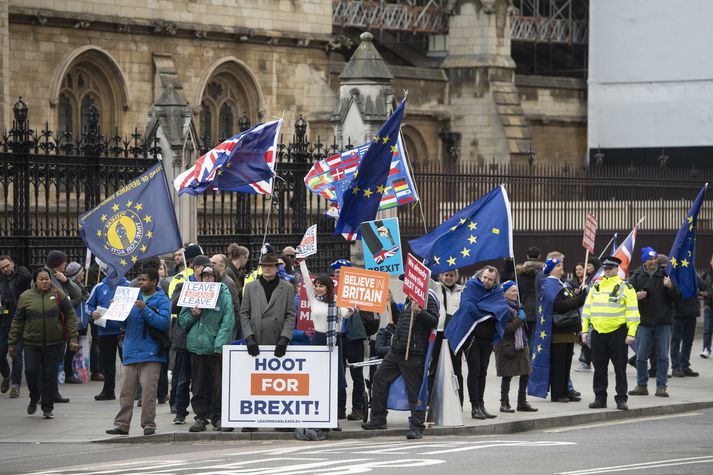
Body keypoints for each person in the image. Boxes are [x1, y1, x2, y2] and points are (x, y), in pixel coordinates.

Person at [362, 290, 439, 439]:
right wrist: (391, 304)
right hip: (397, 350)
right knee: (379, 378)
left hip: (414, 353)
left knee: (414, 391)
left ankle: (417, 426)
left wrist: (420, 311)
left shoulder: (427, 298)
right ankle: (378, 419)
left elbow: (435, 321)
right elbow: (400, 322)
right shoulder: (409, 298)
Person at [106, 268, 171, 436]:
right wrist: (114, 310)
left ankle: (148, 424)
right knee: (126, 392)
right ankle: (121, 425)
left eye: (144, 280)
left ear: (154, 281)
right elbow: (122, 324)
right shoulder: (132, 296)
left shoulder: (162, 300)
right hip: (131, 351)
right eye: (139, 280)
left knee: (148, 393)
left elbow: (163, 323)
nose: (140, 283)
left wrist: (145, 309)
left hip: (151, 353)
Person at [8, 268, 78, 419]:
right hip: (32, 344)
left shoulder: (58, 294)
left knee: (49, 375)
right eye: (41, 279)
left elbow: (70, 315)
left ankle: (47, 407)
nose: (45, 281)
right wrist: (12, 343)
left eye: (47, 278)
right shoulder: (25, 297)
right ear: (35, 281)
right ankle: (34, 397)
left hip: (55, 343)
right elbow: (18, 321)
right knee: (31, 372)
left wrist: (73, 338)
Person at [239, 253, 296, 432]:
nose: (267, 269)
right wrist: (248, 337)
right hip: (256, 339)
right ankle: (252, 420)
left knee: (278, 383)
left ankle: (280, 420)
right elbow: (244, 313)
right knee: (255, 383)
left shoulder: (287, 288)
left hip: (277, 339)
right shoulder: (250, 287)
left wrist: (285, 338)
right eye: (264, 266)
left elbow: (290, 314)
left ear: (277, 267)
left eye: (271, 266)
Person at [445, 266, 510, 420]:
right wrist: (489, 310)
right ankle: (474, 407)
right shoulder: (471, 287)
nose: (486, 281)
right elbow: (468, 307)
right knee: (474, 371)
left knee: (483, 372)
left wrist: (487, 308)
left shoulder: (497, 292)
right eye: (485, 278)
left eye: (490, 279)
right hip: (472, 337)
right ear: (480, 276)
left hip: (487, 339)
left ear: (495, 281)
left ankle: (481, 404)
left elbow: (502, 309)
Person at [297, 257, 354, 426]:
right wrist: (301, 262)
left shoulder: (337, 301)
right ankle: (318, 416)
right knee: (317, 380)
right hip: (318, 340)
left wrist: (352, 309)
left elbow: (344, 314)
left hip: (334, 342)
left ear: (329, 288)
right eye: (317, 285)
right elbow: (306, 279)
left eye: (321, 286)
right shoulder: (313, 298)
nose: (318, 288)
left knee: (334, 382)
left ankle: (332, 418)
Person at [179, 265, 235, 432]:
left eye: (211, 276)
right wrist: (193, 314)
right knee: (198, 385)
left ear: (216, 278)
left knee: (217, 385)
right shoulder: (193, 293)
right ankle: (201, 417)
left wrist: (219, 346)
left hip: (215, 349)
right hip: (196, 348)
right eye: (204, 276)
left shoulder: (224, 295)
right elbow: (182, 321)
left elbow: (228, 322)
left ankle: (218, 417)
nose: (207, 279)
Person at [582, 256, 639, 410]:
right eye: (605, 268)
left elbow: (633, 313)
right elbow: (587, 310)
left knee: (619, 368)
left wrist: (631, 333)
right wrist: (585, 330)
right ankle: (600, 398)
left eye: (610, 268)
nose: (607, 271)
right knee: (599, 368)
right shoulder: (596, 286)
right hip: (598, 333)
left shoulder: (626, 287)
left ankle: (621, 399)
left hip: (618, 333)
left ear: (617, 269)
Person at [628, 247, 679, 397]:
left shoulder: (665, 274)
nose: (653, 262)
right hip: (644, 323)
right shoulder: (636, 275)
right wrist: (635, 297)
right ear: (644, 260)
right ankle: (641, 385)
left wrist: (670, 287)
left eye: (654, 258)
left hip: (663, 322)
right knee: (641, 356)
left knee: (663, 356)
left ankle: (661, 386)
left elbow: (678, 297)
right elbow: (627, 297)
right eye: (649, 259)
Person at [168, 254, 211, 423]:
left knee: (202, 379)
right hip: (185, 339)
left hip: (203, 339)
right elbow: (174, 307)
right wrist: (187, 291)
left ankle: (204, 410)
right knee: (183, 378)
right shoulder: (182, 285)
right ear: (195, 268)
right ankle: (180, 411)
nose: (206, 271)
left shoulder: (212, 286)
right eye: (203, 267)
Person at [539, 257, 586, 403]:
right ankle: (558, 393)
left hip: (567, 330)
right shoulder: (550, 284)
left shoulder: (561, 284)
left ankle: (566, 390)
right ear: (551, 269)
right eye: (558, 265)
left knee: (566, 363)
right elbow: (559, 305)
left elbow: (568, 301)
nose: (561, 267)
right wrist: (579, 300)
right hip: (558, 332)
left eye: (561, 265)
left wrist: (579, 295)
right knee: (558, 364)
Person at [330, 258, 369, 421]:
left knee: (357, 375)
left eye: (343, 272)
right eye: (337, 273)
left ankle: (358, 409)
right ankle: (339, 408)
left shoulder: (358, 289)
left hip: (355, 337)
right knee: (338, 375)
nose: (340, 276)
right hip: (337, 337)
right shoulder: (328, 291)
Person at [87, 263, 131, 401]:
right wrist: (92, 312)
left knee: (129, 363)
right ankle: (108, 391)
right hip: (105, 331)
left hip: (124, 331)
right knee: (107, 363)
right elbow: (88, 305)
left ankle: (133, 391)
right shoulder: (99, 287)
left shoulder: (129, 286)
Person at [495, 281, 536, 412]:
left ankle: (522, 402)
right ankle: (504, 403)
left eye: (516, 290)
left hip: (520, 344)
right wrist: (519, 318)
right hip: (507, 345)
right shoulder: (502, 308)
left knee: (526, 372)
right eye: (513, 290)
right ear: (504, 293)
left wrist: (520, 313)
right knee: (507, 375)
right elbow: (506, 329)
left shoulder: (517, 306)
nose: (516, 293)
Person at [430, 269, 465, 405]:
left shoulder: (462, 291)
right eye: (446, 275)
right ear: (441, 276)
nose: (448, 278)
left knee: (456, 368)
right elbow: (425, 279)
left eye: (451, 275)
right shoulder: (436, 287)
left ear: (456, 276)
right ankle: (431, 401)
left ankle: (458, 402)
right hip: (438, 332)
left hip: (454, 333)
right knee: (434, 367)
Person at [0, 255, 32, 398]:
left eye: (7, 266)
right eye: (2, 268)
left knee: (16, 355)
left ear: (13, 263)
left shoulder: (23, 275)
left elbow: (31, 294)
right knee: (1, 353)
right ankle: (7, 376)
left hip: (19, 321)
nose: (5, 269)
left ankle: (15, 386)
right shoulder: (1, 279)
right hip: (4, 320)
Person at [670, 273, 705, 378]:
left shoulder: (692, 273)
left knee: (688, 342)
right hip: (678, 313)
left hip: (692, 312)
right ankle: (676, 367)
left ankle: (685, 365)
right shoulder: (675, 273)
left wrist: (693, 273)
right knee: (676, 341)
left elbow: (702, 285)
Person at [63, 262, 88, 384]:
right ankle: (68, 374)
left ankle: (71, 373)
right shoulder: (71, 287)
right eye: (82, 271)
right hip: (73, 323)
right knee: (70, 349)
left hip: (80, 322)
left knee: (73, 349)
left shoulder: (80, 285)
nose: (84, 273)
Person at [210, 253, 242, 339]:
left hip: (225, 329)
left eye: (213, 264)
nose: (210, 266)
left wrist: (230, 327)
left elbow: (235, 306)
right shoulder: (213, 280)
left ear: (223, 266)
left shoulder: (228, 283)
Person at [517, 247, 541, 347]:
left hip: (524, 307)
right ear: (539, 257)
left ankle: (525, 358)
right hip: (537, 307)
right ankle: (531, 359)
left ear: (527, 256)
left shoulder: (519, 273)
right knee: (534, 337)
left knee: (524, 335)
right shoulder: (542, 272)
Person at [702, 255, 713, 359]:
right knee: (707, 329)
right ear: (710, 262)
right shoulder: (707, 274)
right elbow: (699, 284)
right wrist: (702, 293)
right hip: (709, 305)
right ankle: (706, 349)